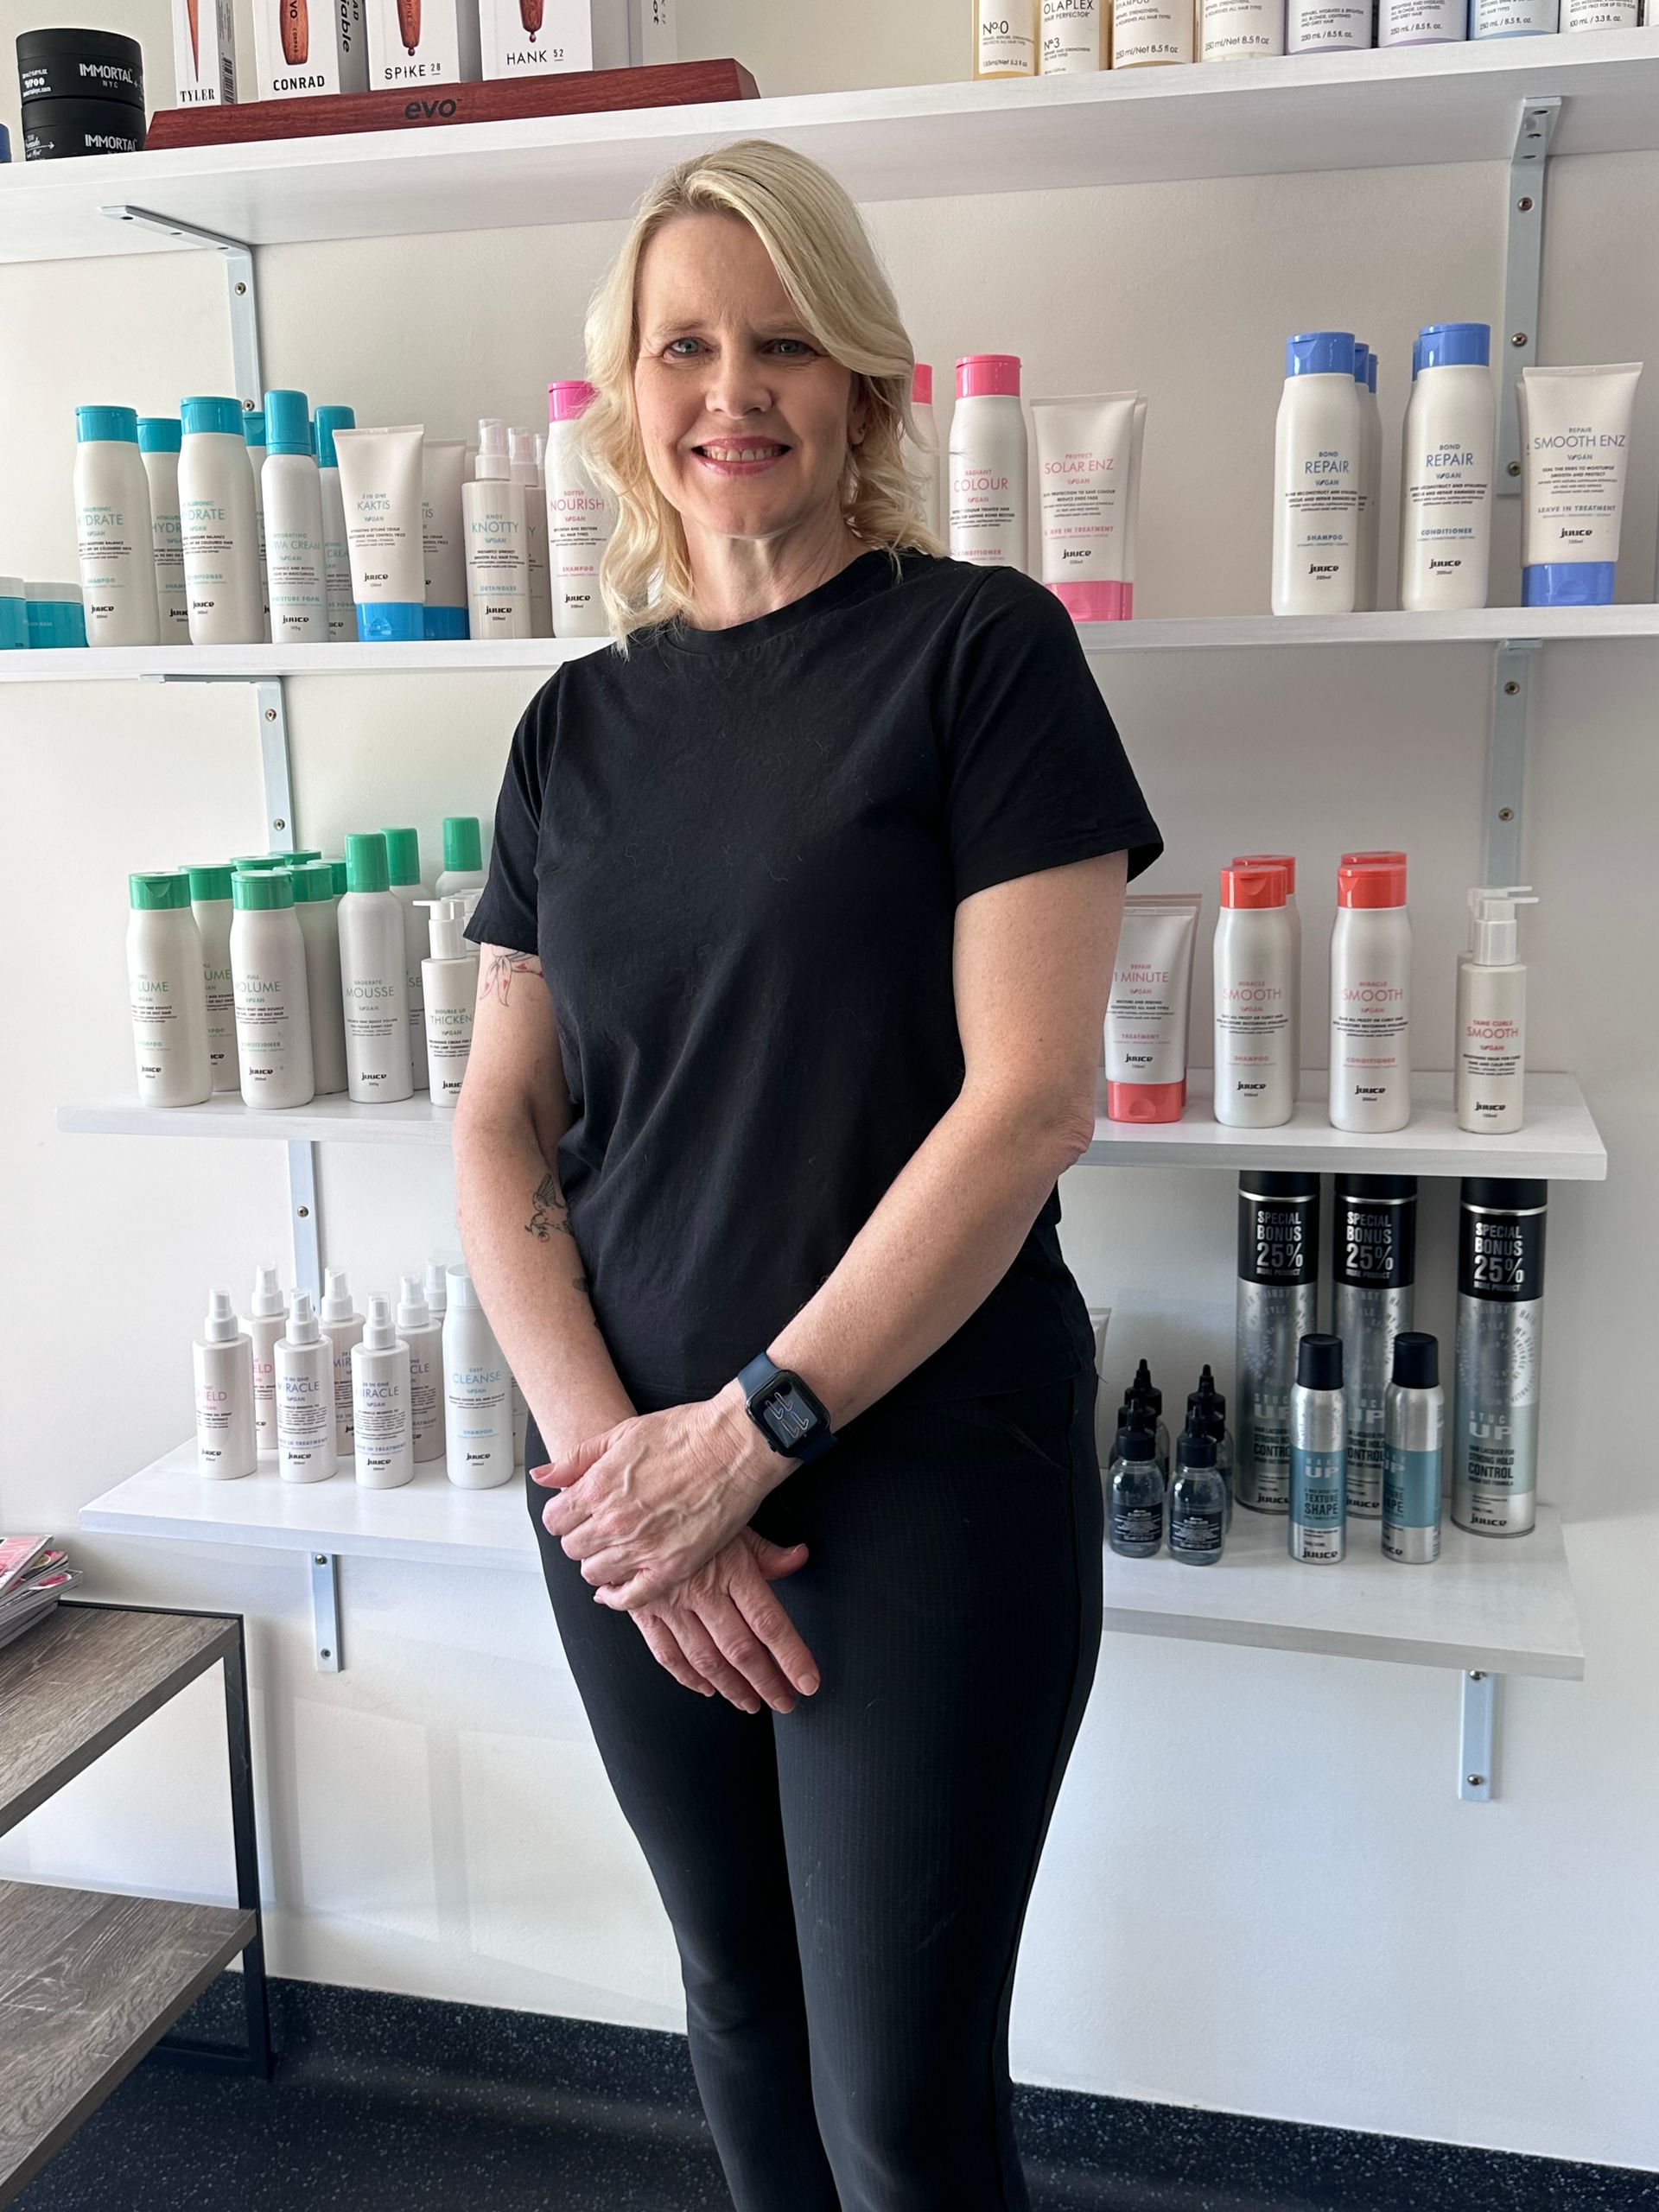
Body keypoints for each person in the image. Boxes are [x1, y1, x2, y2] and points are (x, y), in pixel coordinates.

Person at [453, 137, 1163, 2212]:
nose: (730, 389)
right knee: (736, 2007)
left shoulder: (978, 654)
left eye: (782, 342)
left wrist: (750, 1437)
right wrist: (624, 1469)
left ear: (860, 382)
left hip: (918, 1461)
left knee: (902, 2102)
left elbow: (1029, 1099)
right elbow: (503, 1115)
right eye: (684, 344)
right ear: (627, 390)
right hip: (626, 1480)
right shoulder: (571, 728)